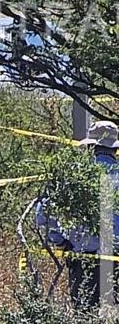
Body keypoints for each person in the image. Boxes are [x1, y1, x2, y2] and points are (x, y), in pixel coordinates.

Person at [35, 121, 119, 310]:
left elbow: (44, 213)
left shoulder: (73, 175)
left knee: (85, 315)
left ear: (91, 146)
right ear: (114, 148)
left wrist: (59, 241)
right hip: (116, 254)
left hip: (83, 255)